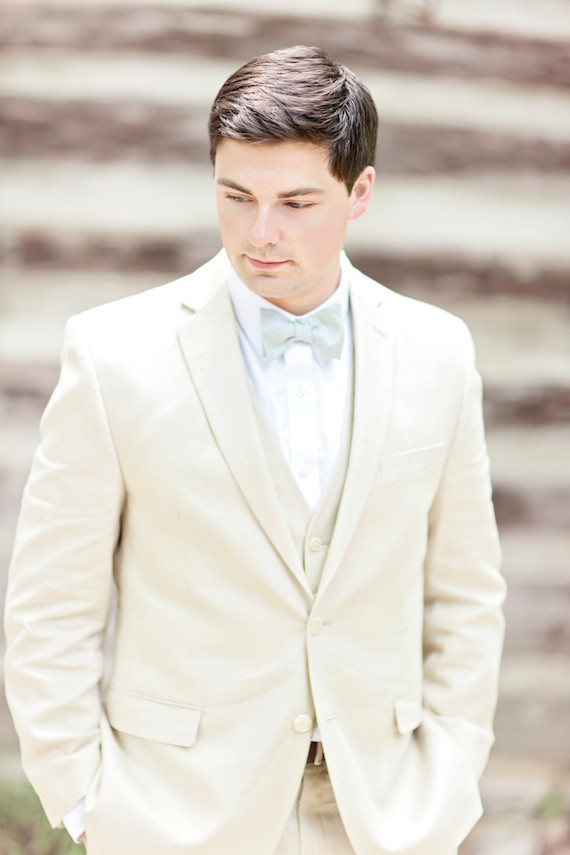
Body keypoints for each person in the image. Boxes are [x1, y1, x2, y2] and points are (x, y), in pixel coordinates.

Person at [4, 45, 506, 855]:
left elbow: (467, 592)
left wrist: (448, 777)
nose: (260, 233)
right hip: (175, 819)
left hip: (385, 818)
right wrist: (85, 800)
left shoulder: (438, 353)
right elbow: (51, 604)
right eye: (235, 196)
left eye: (296, 202)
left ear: (360, 192)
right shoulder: (111, 356)